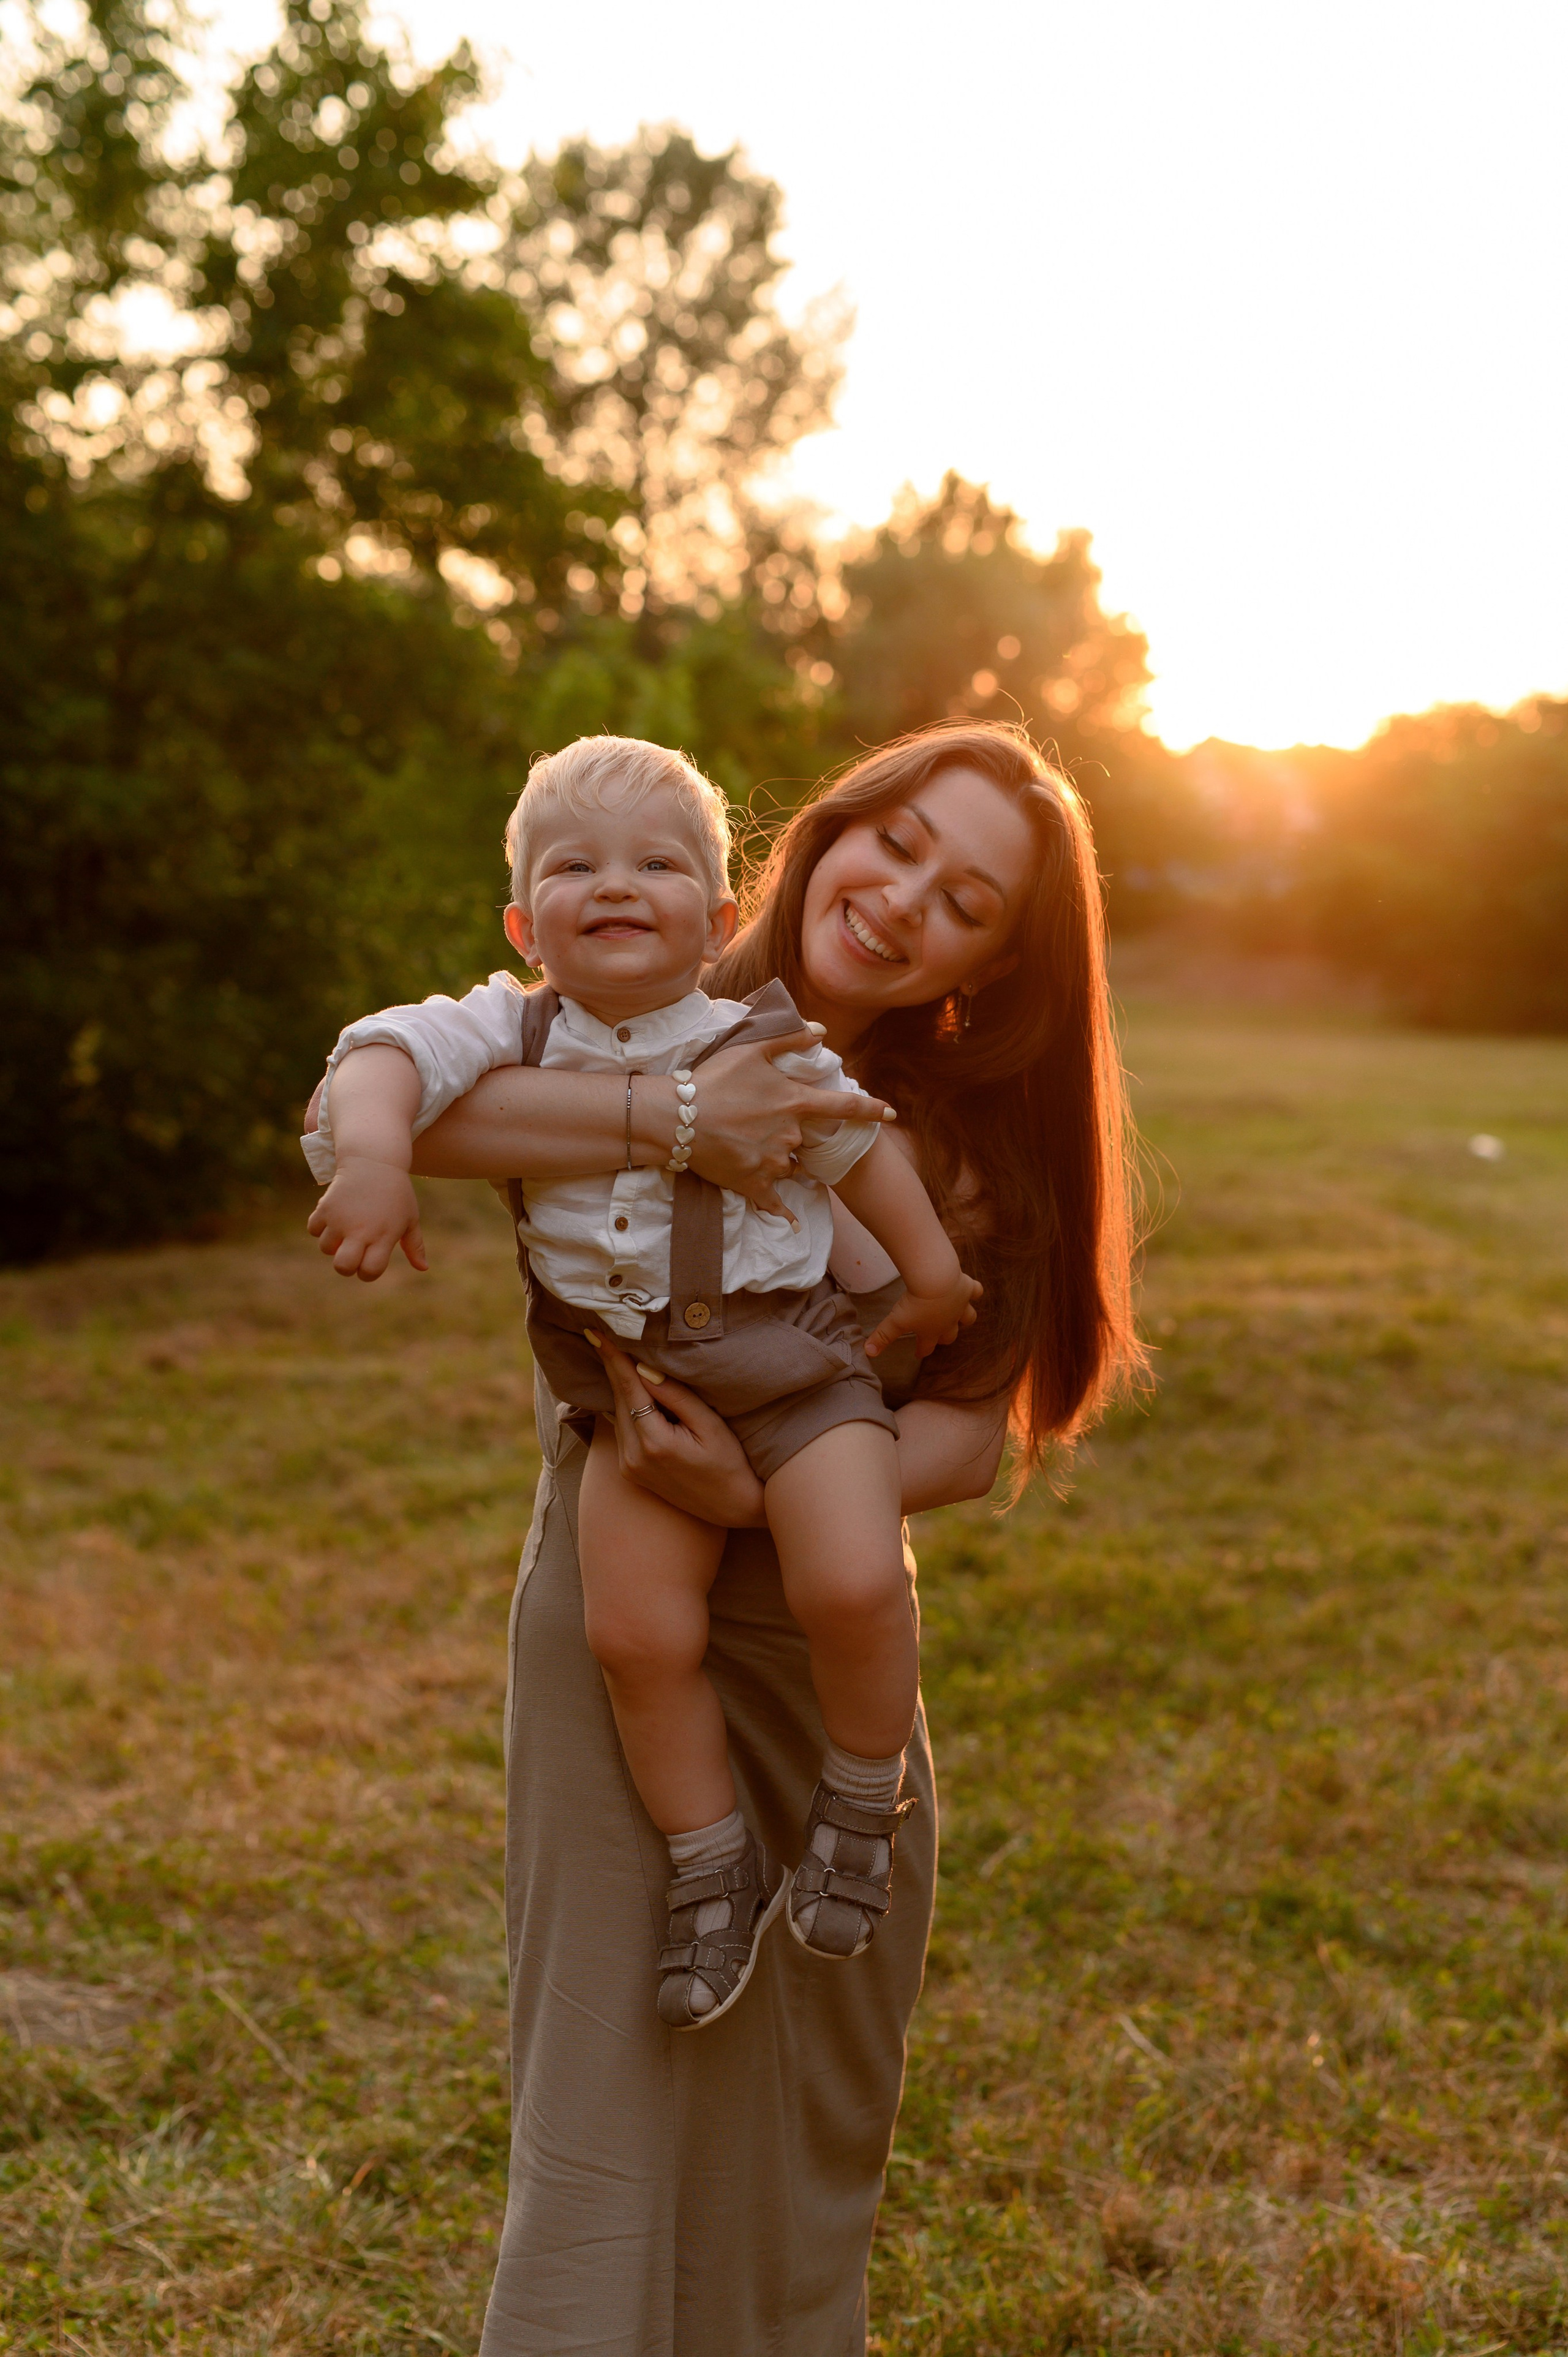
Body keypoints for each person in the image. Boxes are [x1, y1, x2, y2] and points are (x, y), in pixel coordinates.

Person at [305, 720, 1145, 2357]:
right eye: (898, 844)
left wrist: (762, 1489)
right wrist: (678, 1119)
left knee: (803, 2135)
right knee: (600, 2112)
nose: (907, 903)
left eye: (967, 902)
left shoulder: (974, 1140)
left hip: (820, 1637)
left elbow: (971, 1437)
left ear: (1000, 961)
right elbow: (381, 1121)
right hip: (621, 1631)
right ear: (835, 827)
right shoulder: (625, 977)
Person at [304, 736, 981, 2031]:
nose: (615, 885)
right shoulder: (509, 1026)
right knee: (634, 1636)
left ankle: (857, 1793)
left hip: (792, 1366)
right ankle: (707, 1862)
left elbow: (860, 1150)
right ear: (523, 921)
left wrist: (932, 1274)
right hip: (630, 1395)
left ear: (719, 917)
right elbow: (372, 1059)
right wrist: (378, 1159)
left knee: (851, 1573)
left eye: (657, 864)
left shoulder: (757, 1034)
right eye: (574, 866)